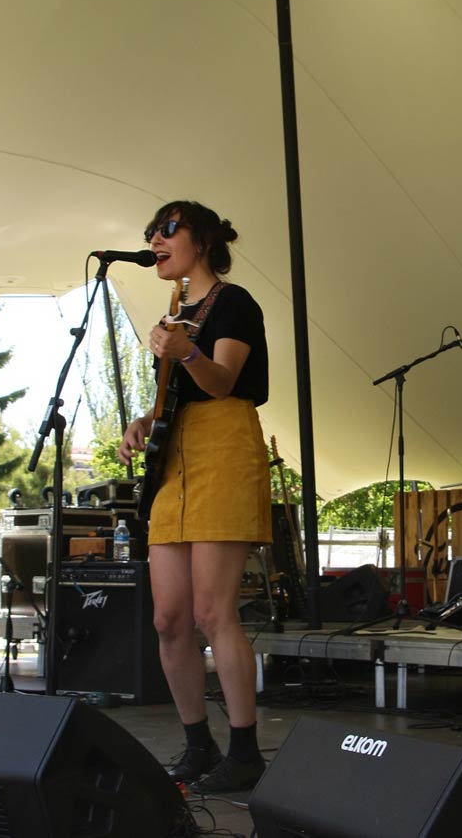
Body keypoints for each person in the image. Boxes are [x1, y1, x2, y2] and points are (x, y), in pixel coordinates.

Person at [119, 201, 272, 793]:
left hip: (224, 449)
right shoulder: (174, 312)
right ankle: (197, 745)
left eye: (166, 229)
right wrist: (144, 420)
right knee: (168, 619)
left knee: (213, 612)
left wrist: (184, 350)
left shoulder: (234, 303)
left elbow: (222, 381)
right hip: (175, 457)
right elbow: (179, 396)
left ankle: (245, 752)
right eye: (150, 232)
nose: (153, 240)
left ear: (201, 241)